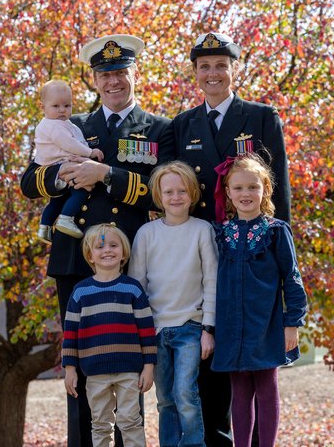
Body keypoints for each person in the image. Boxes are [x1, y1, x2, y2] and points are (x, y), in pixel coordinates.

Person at [20, 34, 173, 447]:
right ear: (93, 79)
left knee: (127, 367)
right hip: (75, 262)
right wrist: (65, 175)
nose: (113, 81)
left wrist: (106, 175)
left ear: (134, 73)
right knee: (80, 371)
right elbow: (29, 181)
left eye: (121, 72)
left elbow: (168, 193)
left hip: (132, 265)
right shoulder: (70, 125)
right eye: (105, 74)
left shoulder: (160, 128)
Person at [160, 32, 293, 446]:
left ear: (235, 68)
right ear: (195, 73)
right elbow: (173, 188)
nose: (213, 73)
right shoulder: (181, 126)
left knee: (256, 368)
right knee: (211, 357)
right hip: (204, 254)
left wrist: (277, 258)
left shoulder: (261, 117)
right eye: (205, 67)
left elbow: (280, 196)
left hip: (253, 259)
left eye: (221, 65)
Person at [211, 154, 308, 447]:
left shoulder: (276, 231)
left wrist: (292, 323)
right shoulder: (220, 233)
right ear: (228, 192)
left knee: (266, 387)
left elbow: (291, 279)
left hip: (266, 323)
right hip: (232, 326)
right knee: (239, 392)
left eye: (252, 187)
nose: (245, 194)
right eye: (238, 188)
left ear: (265, 188)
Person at [127, 161, 217, 446]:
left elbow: (212, 281)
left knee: (184, 393)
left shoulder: (202, 230)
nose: (175, 197)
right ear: (158, 195)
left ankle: (193, 443)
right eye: (169, 192)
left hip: (191, 326)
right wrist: (140, 335)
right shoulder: (146, 234)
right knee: (165, 399)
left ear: (192, 194)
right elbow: (137, 286)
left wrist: (208, 328)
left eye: (182, 191)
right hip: (155, 330)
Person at [62, 223, 157, 447]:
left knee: (131, 422)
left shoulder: (132, 289)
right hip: (95, 372)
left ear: (123, 252)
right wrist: (69, 369)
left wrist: (149, 366)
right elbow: (70, 333)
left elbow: (146, 330)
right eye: (100, 247)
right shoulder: (81, 292)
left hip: (129, 372)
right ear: (90, 255)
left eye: (114, 245)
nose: (107, 250)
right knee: (100, 424)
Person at [34, 79, 105, 242]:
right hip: (60, 164)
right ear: (42, 107)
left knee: (57, 200)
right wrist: (90, 152)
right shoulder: (54, 126)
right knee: (81, 190)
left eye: (67, 106)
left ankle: (44, 228)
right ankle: (66, 218)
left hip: (60, 162)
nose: (62, 110)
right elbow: (69, 144)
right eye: (56, 106)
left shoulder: (61, 123)